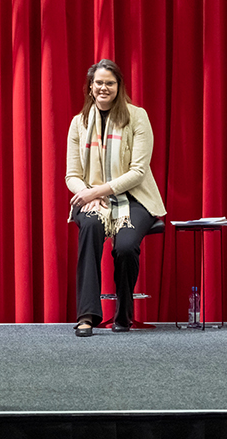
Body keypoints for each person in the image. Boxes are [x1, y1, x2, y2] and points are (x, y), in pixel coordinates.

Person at [66, 59, 167, 337]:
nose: (104, 87)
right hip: (93, 199)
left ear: (118, 86)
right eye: (98, 82)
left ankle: (123, 314)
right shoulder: (78, 123)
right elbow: (72, 175)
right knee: (89, 227)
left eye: (109, 83)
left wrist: (98, 191)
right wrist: (87, 194)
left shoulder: (137, 116)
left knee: (125, 248)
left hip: (135, 198)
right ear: (90, 87)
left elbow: (138, 172)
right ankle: (87, 316)